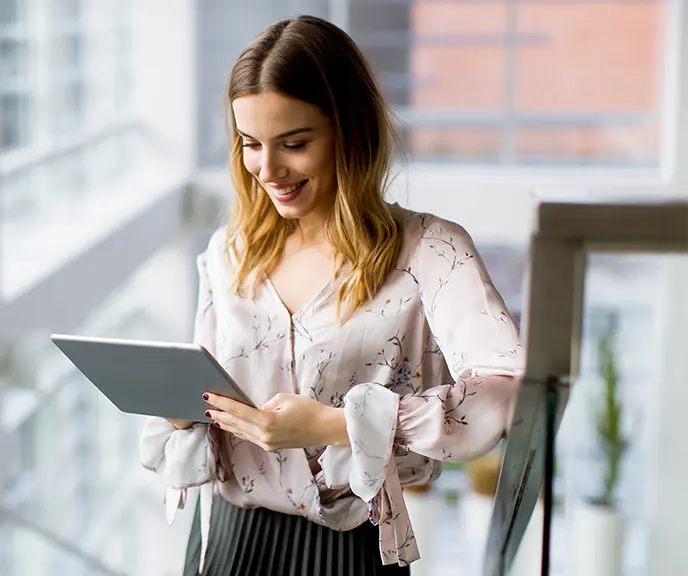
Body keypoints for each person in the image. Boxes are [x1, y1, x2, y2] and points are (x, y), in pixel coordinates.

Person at [139, 14, 524, 576]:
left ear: (349, 130)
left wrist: (334, 425)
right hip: (226, 538)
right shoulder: (229, 251)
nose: (267, 170)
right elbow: (210, 380)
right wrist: (186, 411)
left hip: (351, 550)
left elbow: (508, 394)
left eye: (293, 144)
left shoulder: (431, 252)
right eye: (251, 144)